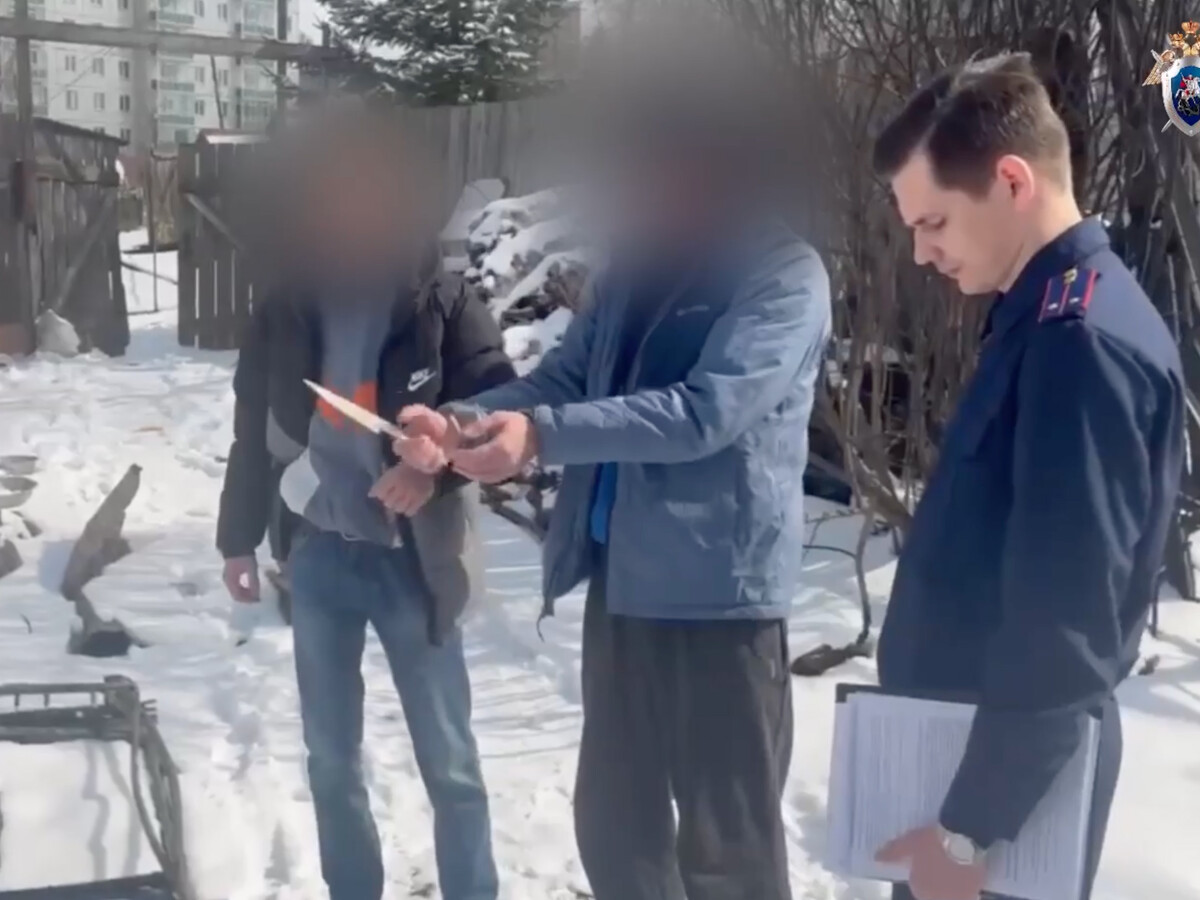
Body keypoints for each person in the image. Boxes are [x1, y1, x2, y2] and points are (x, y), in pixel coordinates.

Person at [392, 74, 831, 899]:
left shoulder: (782, 274)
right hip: (622, 586)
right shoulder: (635, 271)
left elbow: (705, 413)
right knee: (616, 829)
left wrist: (540, 437)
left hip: (721, 603)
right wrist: (459, 426)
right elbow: (563, 378)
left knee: (728, 850)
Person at [868, 53, 1184, 900]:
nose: (922, 253)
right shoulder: (1039, 317)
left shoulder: (1078, 344)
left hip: (1002, 806)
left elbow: (1065, 624)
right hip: (973, 770)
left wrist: (971, 830)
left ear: (1011, 181)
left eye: (934, 222)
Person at [215, 111, 515, 900]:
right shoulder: (286, 305)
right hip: (319, 556)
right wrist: (237, 538)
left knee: (451, 764)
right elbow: (253, 426)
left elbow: (499, 412)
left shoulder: (442, 302)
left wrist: (433, 473)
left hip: (415, 560)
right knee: (330, 761)